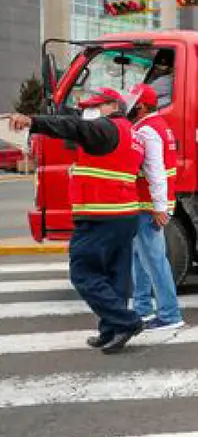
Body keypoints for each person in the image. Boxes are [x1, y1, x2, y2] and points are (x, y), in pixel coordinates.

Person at [5, 87, 146, 352]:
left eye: (94, 107)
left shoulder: (105, 128)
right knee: (115, 275)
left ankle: (126, 322)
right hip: (124, 214)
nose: (88, 112)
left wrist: (33, 122)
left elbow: (71, 126)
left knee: (83, 273)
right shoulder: (131, 132)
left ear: (111, 106)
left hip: (101, 214)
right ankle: (111, 330)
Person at [129, 84, 185, 330]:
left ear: (140, 106)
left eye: (131, 102)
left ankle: (170, 315)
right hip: (148, 205)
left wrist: (160, 207)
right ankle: (142, 310)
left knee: (154, 260)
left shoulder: (147, 130)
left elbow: (155, 172)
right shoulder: (157, 125)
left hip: (149, 206)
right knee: (140, 258)